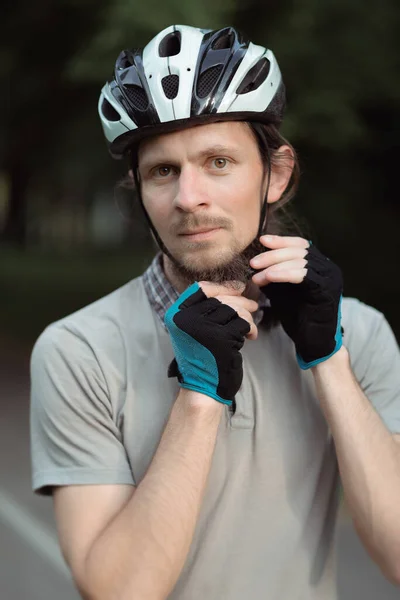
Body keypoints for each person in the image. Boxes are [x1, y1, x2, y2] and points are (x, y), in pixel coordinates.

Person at [30, 24, 400, 600]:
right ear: (140, 192)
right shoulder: (78, 349)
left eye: (218, 161)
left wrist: (328, 359)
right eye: (162, 171)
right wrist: (199, 397)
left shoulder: (364, 332)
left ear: (275, 174)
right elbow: (119, 590)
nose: (188, 197)